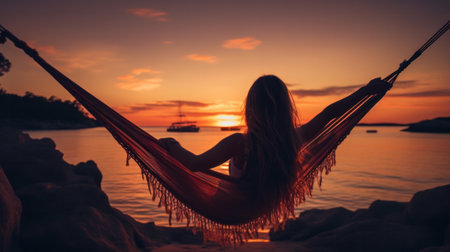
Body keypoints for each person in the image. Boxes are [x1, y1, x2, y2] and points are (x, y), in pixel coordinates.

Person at [159, 75, 391, 206]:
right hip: (260, 205)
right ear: (285, 108)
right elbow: (330, 114)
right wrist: (365, 92)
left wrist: (173, 145)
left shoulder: (240, 143)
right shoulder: (293, 139)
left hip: (227, 207)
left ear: (251, 108)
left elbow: (195, 164)